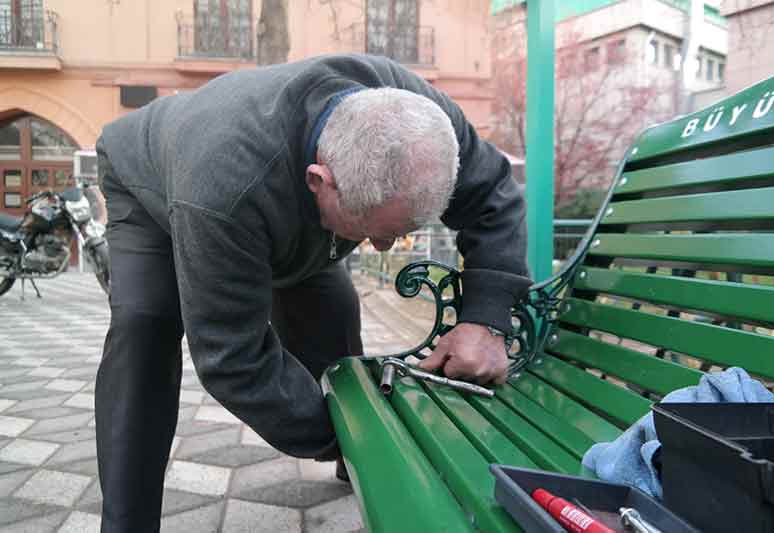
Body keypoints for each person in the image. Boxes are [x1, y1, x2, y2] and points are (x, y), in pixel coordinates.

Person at [94, 53, 531, 532]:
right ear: (319, 183)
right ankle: (127, 523)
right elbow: (233, 359)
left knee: (333, 314)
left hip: (273, 185)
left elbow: (494, 194)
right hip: (150, 180)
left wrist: (485, 319)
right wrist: (359, 435)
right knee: (145, 327)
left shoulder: (419, 117)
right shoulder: (222, 188)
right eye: (375, 231)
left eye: (402, 231)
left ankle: (356, 464)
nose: (384, 246)